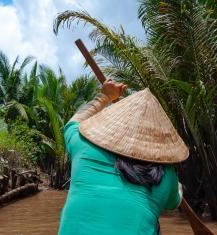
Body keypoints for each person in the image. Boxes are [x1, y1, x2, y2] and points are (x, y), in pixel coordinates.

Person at [58, 79, 189, 235]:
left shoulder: (83, 146)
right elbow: (173, 203)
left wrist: (104, 97)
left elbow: (72, 124)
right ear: (157, 139)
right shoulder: (167, 175)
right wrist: (178, 188)